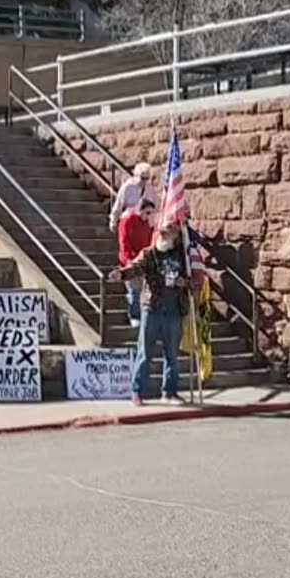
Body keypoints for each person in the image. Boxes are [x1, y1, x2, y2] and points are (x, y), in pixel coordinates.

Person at [110, 221, 190, 406]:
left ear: (175, 236)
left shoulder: (181, 256)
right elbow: (135, 268)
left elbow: (191, 279)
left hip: (173, 309)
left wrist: (184, 283)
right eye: (162, 231)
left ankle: (169, 392)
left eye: (168, 231)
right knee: (145, 352)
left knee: (172, 354)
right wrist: (121, 274)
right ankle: (137, 392)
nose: (164, 235)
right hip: (152, 308)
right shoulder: (149, 254)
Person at [117, 199, 155, 328]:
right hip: (130, 261)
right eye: (147, 212)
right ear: (140, 209)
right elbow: (124, 243)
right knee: (134, 289)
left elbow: (148, 241)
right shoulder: (127, 222)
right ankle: (134, 316)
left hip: (143, 261)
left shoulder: (145, 224)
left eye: (151, 213)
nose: (149, 216)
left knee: (142, 290)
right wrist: (130, 259)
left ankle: (140, 314)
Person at [108, 163, 157, 232]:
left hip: (144, 224)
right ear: (136, 176)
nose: (145, 181)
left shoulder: (150, 189)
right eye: (142, 178)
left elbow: (156, 208)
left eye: (147, 178)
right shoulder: (127, 187)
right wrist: (113, 221)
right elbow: (118, 205)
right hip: (129, 223)